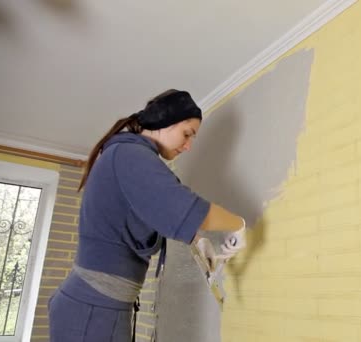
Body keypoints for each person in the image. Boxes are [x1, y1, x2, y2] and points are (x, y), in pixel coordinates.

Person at [47, 89, 246, 341]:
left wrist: (197, 240)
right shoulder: (129, 155)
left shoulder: (129, 155)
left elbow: (153, 213)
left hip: (102, 304)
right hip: (92, 306)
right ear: (164, 120)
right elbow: (184, 208)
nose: (188, 146)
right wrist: (239, 225)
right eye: (187, 134)